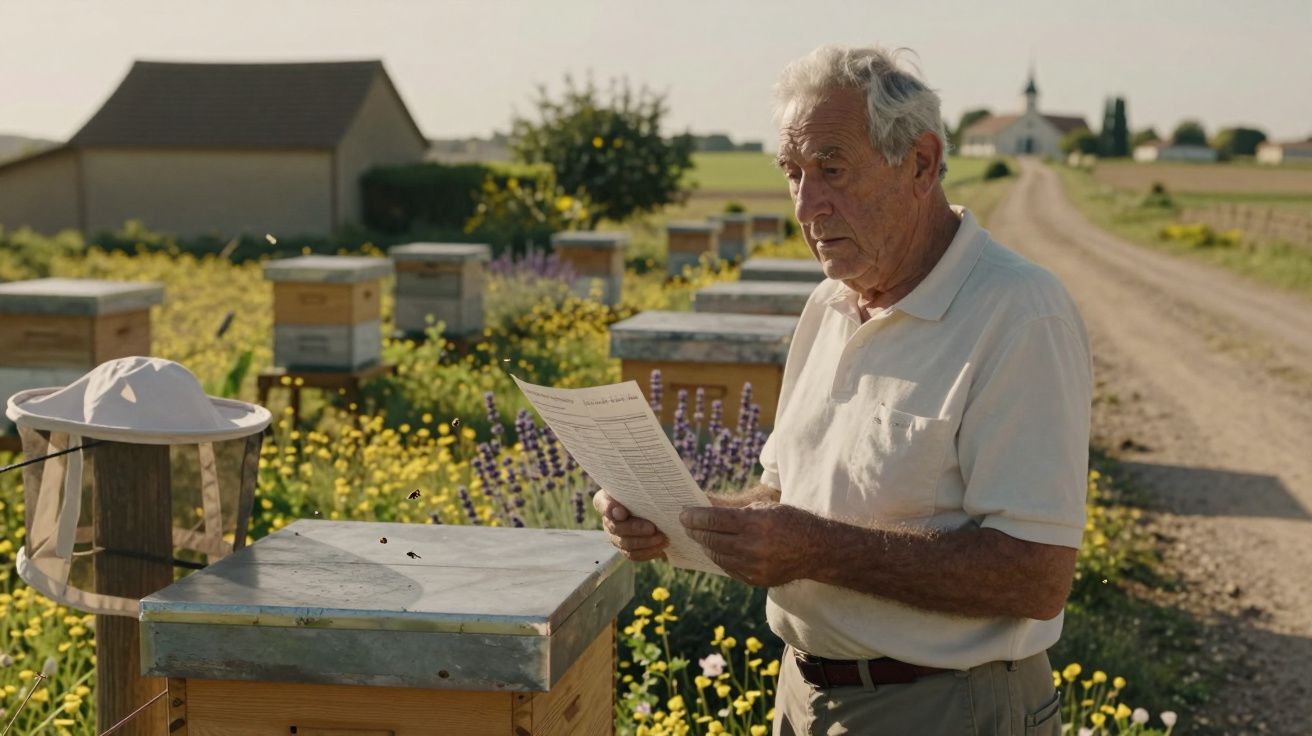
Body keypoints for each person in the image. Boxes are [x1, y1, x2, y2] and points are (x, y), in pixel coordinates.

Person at [594, 43, 1091, 735]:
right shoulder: (828, 305)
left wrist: (814, 548)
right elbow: (784, 499)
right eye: (793, 173)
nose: (807, 205)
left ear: (921, 163)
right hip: (800, 694)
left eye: (832, 170)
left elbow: (1035, 576)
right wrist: (679, 517)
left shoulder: (1019, 312)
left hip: (944, 707)